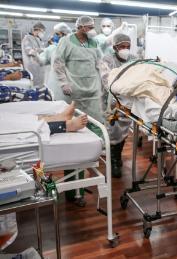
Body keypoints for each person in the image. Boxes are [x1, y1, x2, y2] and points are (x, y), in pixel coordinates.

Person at [53, 16, 104, 204]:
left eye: (93, 26)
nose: (92, 29)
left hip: (92, 91)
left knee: (95, 129)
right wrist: (63, 83)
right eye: (89, 26)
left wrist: (104, 83)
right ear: (80, 27)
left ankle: (92, 160)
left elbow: (100, 65)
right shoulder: (67, 42)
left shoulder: (94, 43)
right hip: (74, 92)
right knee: (73, 136)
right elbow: (58, 63)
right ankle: (74, 190)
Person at [100, 33, 136, 178]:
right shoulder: (107, 60)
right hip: (112, 100)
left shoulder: (133, 60)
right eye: (122, 46)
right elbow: (106, 79)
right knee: (113, 129)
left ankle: (117, 155)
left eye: (128, 46)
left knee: (124, 130)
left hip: (128, 100)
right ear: (115, 47)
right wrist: (119, 92)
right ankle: (114, 160)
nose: (125, 49)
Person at [38, 22, 72, 101]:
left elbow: (40, 61)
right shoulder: (74, 48)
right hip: (67, 88)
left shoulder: (52, 49)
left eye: (57, 34)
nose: (54, 36)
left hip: (57, 87)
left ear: (63, 34)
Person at [21, 22, 46, 87]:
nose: (42, 33)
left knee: (40, 84)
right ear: (37, 30)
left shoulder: (37, 39)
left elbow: (39, 49)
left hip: (38, 66)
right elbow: (29, 51)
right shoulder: (27, 38)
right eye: (42, 31)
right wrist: (41, 50)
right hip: (32, 66)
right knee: (33, 85)